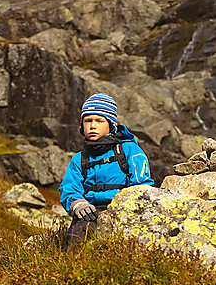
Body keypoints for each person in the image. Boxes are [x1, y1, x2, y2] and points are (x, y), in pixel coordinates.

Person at [59, 93, 154, 248]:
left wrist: (126, 206)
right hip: (89, 212)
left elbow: (142, 185)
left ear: (111, 124)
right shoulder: (79, 159)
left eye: (99, 121)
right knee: (78, 235)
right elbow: (69, 188)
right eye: (87, 121)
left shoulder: (130, 150)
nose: (92, 125)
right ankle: (71, 268)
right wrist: (78, 204)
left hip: (124, 208)